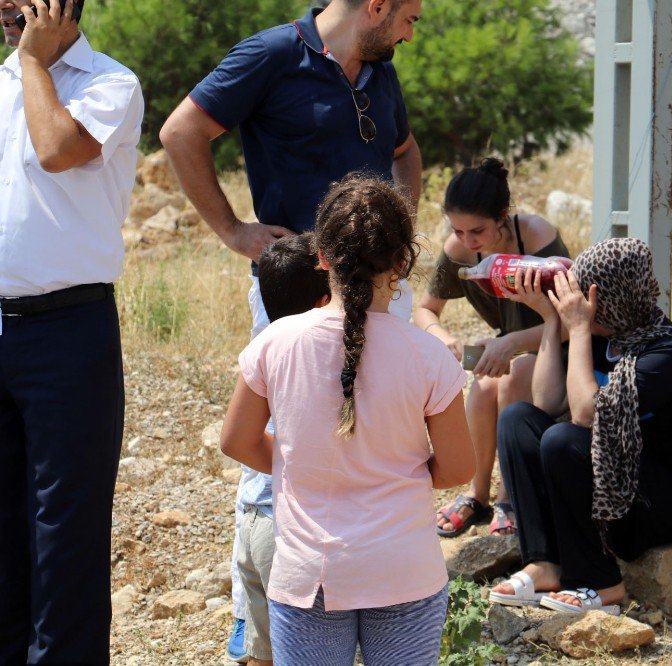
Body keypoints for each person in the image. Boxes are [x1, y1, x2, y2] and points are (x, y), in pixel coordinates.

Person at [159, 1, 423, 653]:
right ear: (376, 6)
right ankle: (261, 622)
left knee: (377, 446)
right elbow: (180, 132)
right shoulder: (271, 55)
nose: (412, 33)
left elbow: (405, 152)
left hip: (383, 290)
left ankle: (361, 614)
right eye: (410, 17)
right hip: (297, 292)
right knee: (278, 455)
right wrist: (232, 230)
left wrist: (401, 227)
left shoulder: (379, 68)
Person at [220, 175, 475, 665]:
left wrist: (295, 464)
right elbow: (459, 469)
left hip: (308, 574)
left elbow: (236, 440)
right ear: (402, 262)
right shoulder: (430, 357)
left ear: (321, 257)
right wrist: (395, 468)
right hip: (405, 571)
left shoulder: (275, 343)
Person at [0, 0, 144, 662]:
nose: (7, 7)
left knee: (65, 533)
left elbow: (58, 149)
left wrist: (34, 59)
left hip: (68, 332)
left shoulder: (110, 83)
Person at [486, 237, 672, 614]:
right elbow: (547, 402)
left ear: (613, 297)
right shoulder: (605, 337)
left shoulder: (670, 351)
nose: (578, 306)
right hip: (608, 492)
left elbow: (584, 416)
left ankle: (601, 582)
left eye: (585, 296)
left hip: (650, 507)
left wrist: (580, 330)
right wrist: (552, 322)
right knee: (518, 420)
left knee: (564, 440)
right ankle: (546, 564)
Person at [414, 158, 569, 538]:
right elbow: (424, 309)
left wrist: (511, 342)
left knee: (512, 376)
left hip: (558, 347)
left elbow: (570, 319)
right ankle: (477, 493)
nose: (468, 241)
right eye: (458, 230)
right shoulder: (460, 249)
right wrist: (442, 336)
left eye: (477, 230)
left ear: (503, 216)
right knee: (483, 387)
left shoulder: (535, 235)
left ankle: (509, 496)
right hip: (509, 346)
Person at [236, 233, 332, 666]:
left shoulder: (261, 350)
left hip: (253, 518)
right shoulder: (320, 358)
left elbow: (234, 440)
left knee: (262, 652)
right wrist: (291, 465)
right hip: (291, 530)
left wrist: (276, 463)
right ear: (323, 301)